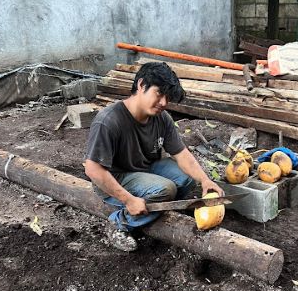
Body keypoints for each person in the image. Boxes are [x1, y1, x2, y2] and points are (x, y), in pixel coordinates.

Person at [84, 62, 224, 251]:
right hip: (116, 178)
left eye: (168, 98)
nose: (164, 103)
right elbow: (93, 169)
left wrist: (205, 180)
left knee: (189, 178)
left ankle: (156, 206)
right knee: (166, 189)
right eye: (159, 93)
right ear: (141, 85)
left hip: (146, 169)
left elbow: (181, 153)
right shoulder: (109, 121)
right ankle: (119, 223)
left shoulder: (162, 118)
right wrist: (128, 200)